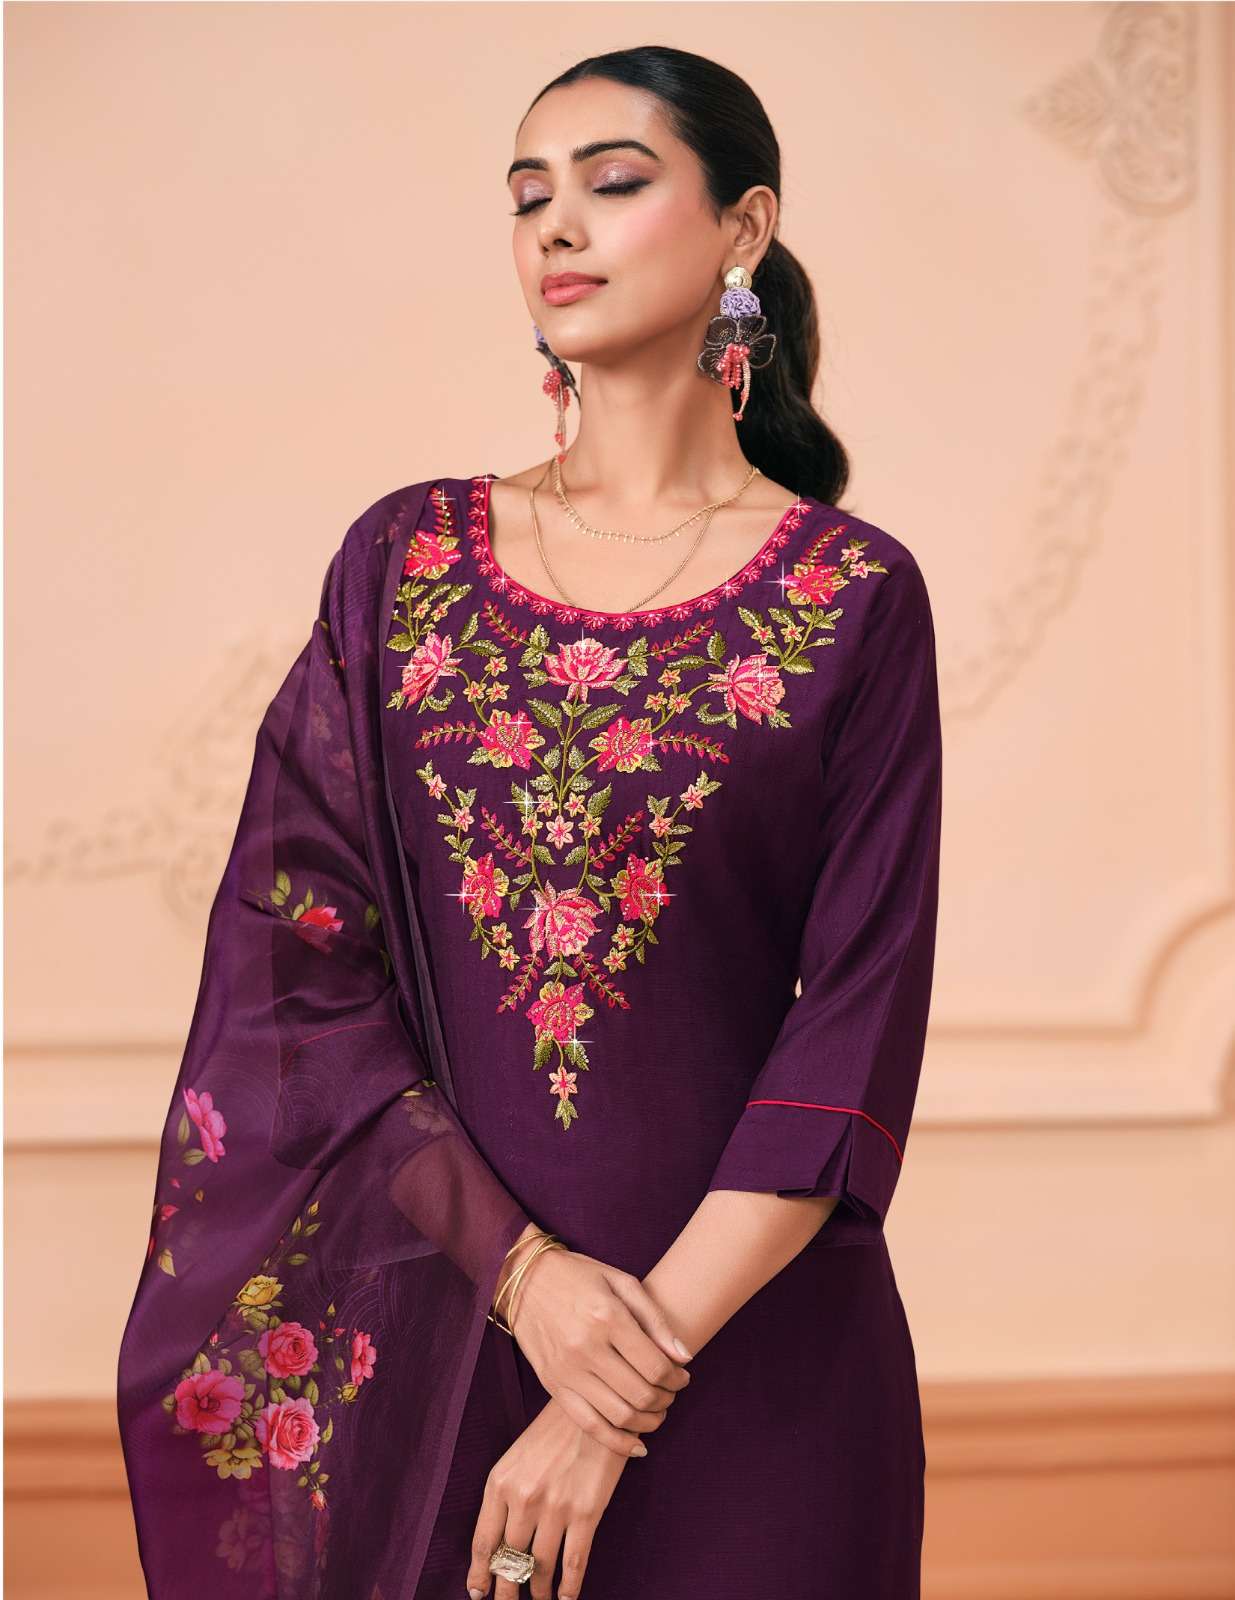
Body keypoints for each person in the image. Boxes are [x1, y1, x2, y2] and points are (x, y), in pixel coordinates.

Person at [117, 42, 942, 1600]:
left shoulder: (853, 596)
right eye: (526, 196)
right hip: (448, 1343)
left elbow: (851, 1035)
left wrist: (612, 1392)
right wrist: (532, 1286)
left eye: (612, 184)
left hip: (756, 1367)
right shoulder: (405, 562)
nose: (557, 224)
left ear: (745, 228)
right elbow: (303, 970)